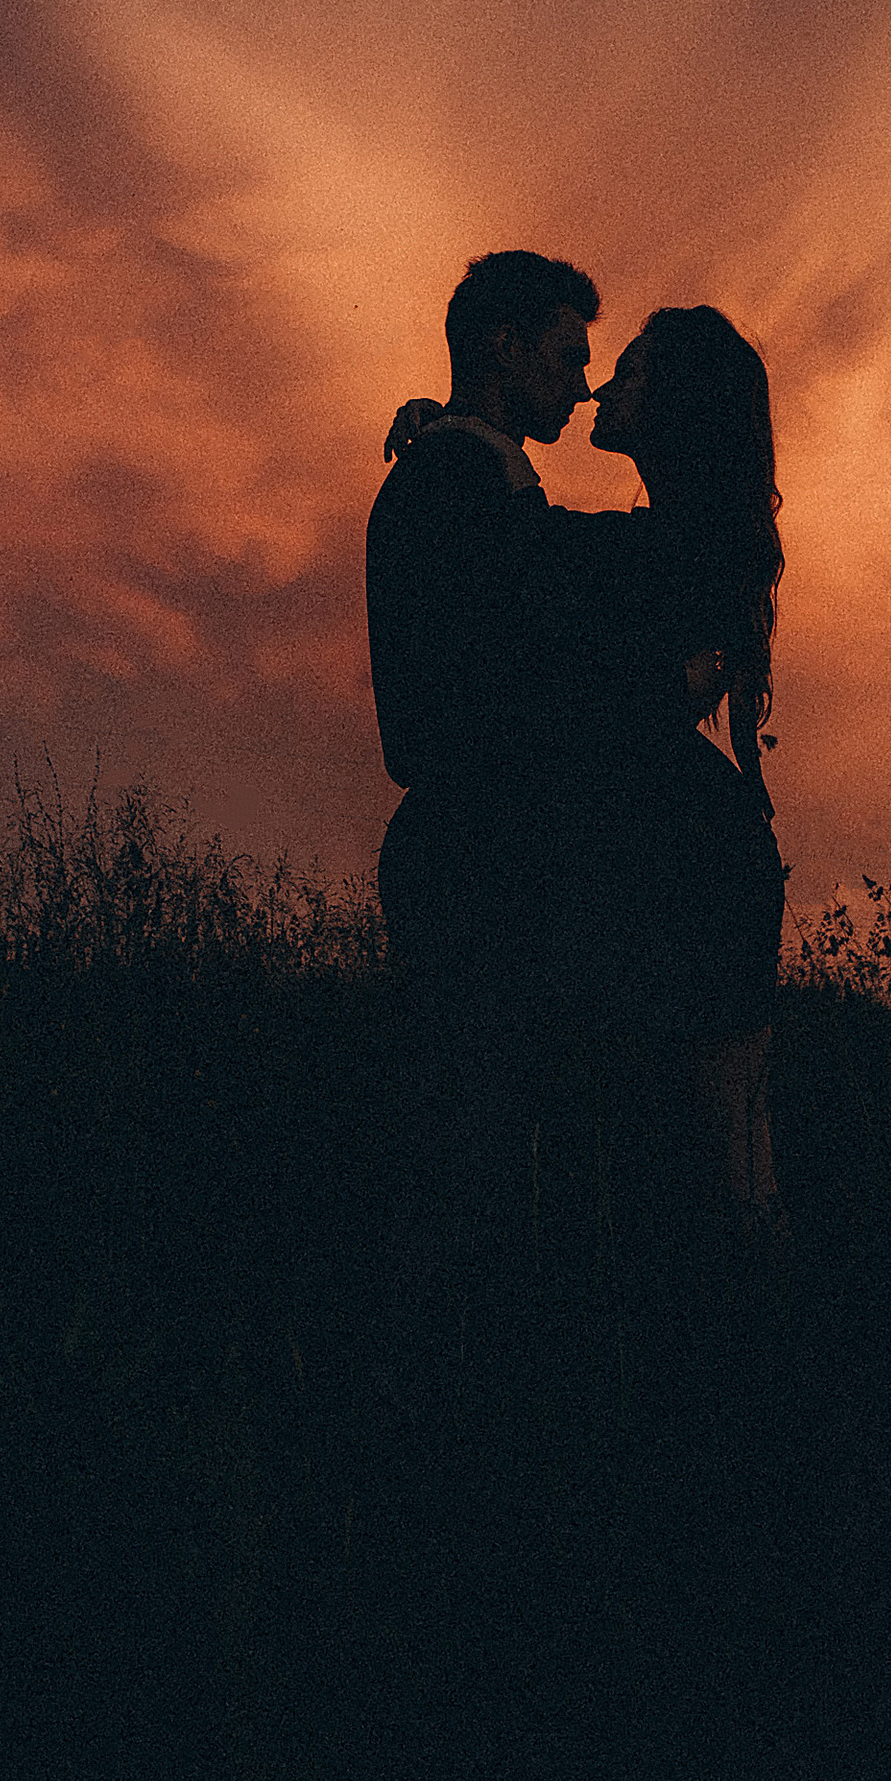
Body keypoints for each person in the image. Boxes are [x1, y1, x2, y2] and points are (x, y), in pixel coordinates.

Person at [383, 302, 789, 1253]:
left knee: (722, 1149)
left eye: (633, 374)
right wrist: (453, 433)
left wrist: (454, 438)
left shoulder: (674, 546)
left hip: (694, 866)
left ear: (680, 404)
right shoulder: (661, 538)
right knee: (683, 1154)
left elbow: (540, 574)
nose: (602, 385)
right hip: (665, 859)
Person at [365, 249, 600, 1339]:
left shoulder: (458, 474)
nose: (582, 383)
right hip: (475, 856)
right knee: (474, 1161)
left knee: (479, 1147)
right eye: (565, 355)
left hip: (473, 852)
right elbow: (527, 659)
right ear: (501, 346)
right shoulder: (462, 485)